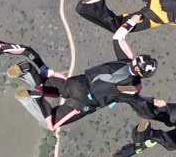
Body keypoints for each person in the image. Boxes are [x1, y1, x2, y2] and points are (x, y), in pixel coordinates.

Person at [21, 25, 154, 132]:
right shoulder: (134, 86)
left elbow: (118, 37)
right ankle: (36, 99)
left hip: (78, 82)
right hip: (84, 101)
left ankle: (27, 70)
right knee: (52, 123)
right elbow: (136, 98)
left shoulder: (125, 60)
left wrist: (133, 20)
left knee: (46, 85)